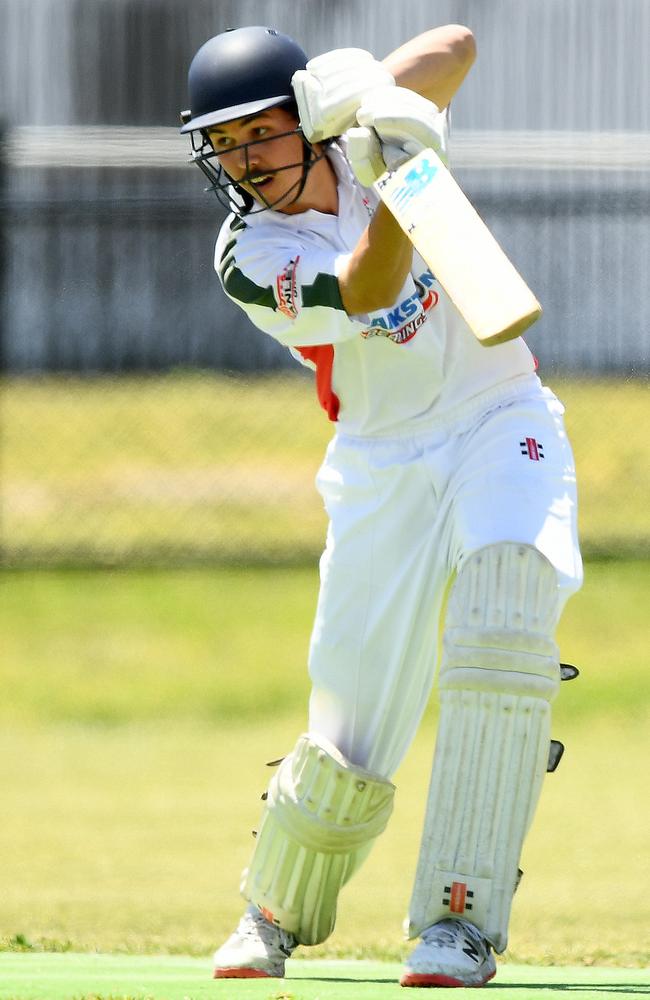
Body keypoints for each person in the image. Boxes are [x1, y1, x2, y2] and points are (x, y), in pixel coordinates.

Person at [180, 23, 583, 988]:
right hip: (381, 461)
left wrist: (382, 105)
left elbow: (459, 42)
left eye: (261, 134)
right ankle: (274, 911)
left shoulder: (360, 128)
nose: (245, 161)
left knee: (503, 619)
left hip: (500, 413)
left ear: (305, 120)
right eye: (225, 147)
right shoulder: (248, 250)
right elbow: (370, 282)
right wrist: (407, 173)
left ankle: (459, 924)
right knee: (352, 723)